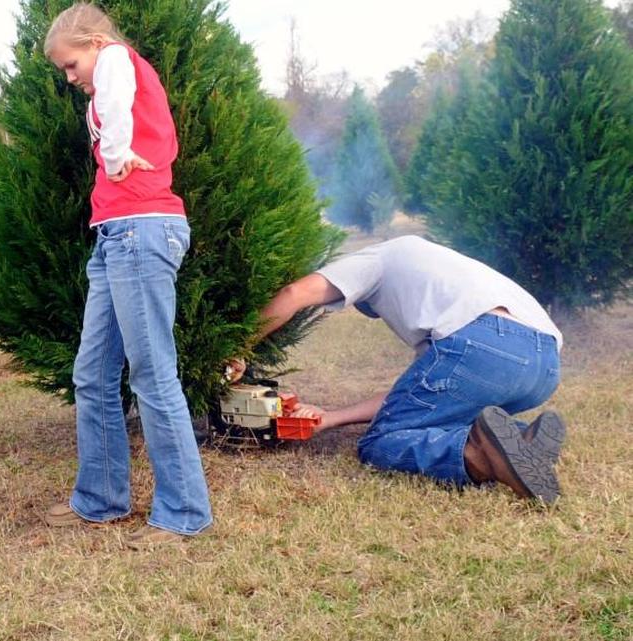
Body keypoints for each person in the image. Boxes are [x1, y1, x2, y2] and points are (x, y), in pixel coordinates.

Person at [41, 3, 212, 549]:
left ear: (92, 42)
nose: (71, 79)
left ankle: (184, 512)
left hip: (141, 228)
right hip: (115, 233)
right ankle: (101, 500)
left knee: (153, 376)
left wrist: (115, 156)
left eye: (71, 66)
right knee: (92, 374)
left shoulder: (115, 58)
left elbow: (115, 108)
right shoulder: (112, 65)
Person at [234, 236, 566, 503]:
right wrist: (331, 418)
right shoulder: (442, 275)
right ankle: (522, 438)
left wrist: (239, 348)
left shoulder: (376, 258)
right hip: (545, 365)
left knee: (381, 442)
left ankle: (477, 455)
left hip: (484, 348)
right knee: (436, 416)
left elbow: (295, 293)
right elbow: (413, 395)